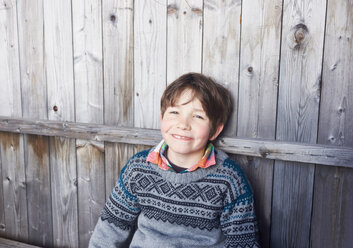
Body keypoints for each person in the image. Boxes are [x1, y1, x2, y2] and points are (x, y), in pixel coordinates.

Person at [89, 72, 260, 247]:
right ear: (162, 118)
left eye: (198, 116)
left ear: (214, 131)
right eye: (175, 112)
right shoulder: (138, 168)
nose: (183, 124)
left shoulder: (230, 179)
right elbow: (111, 226)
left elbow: (243, 242)